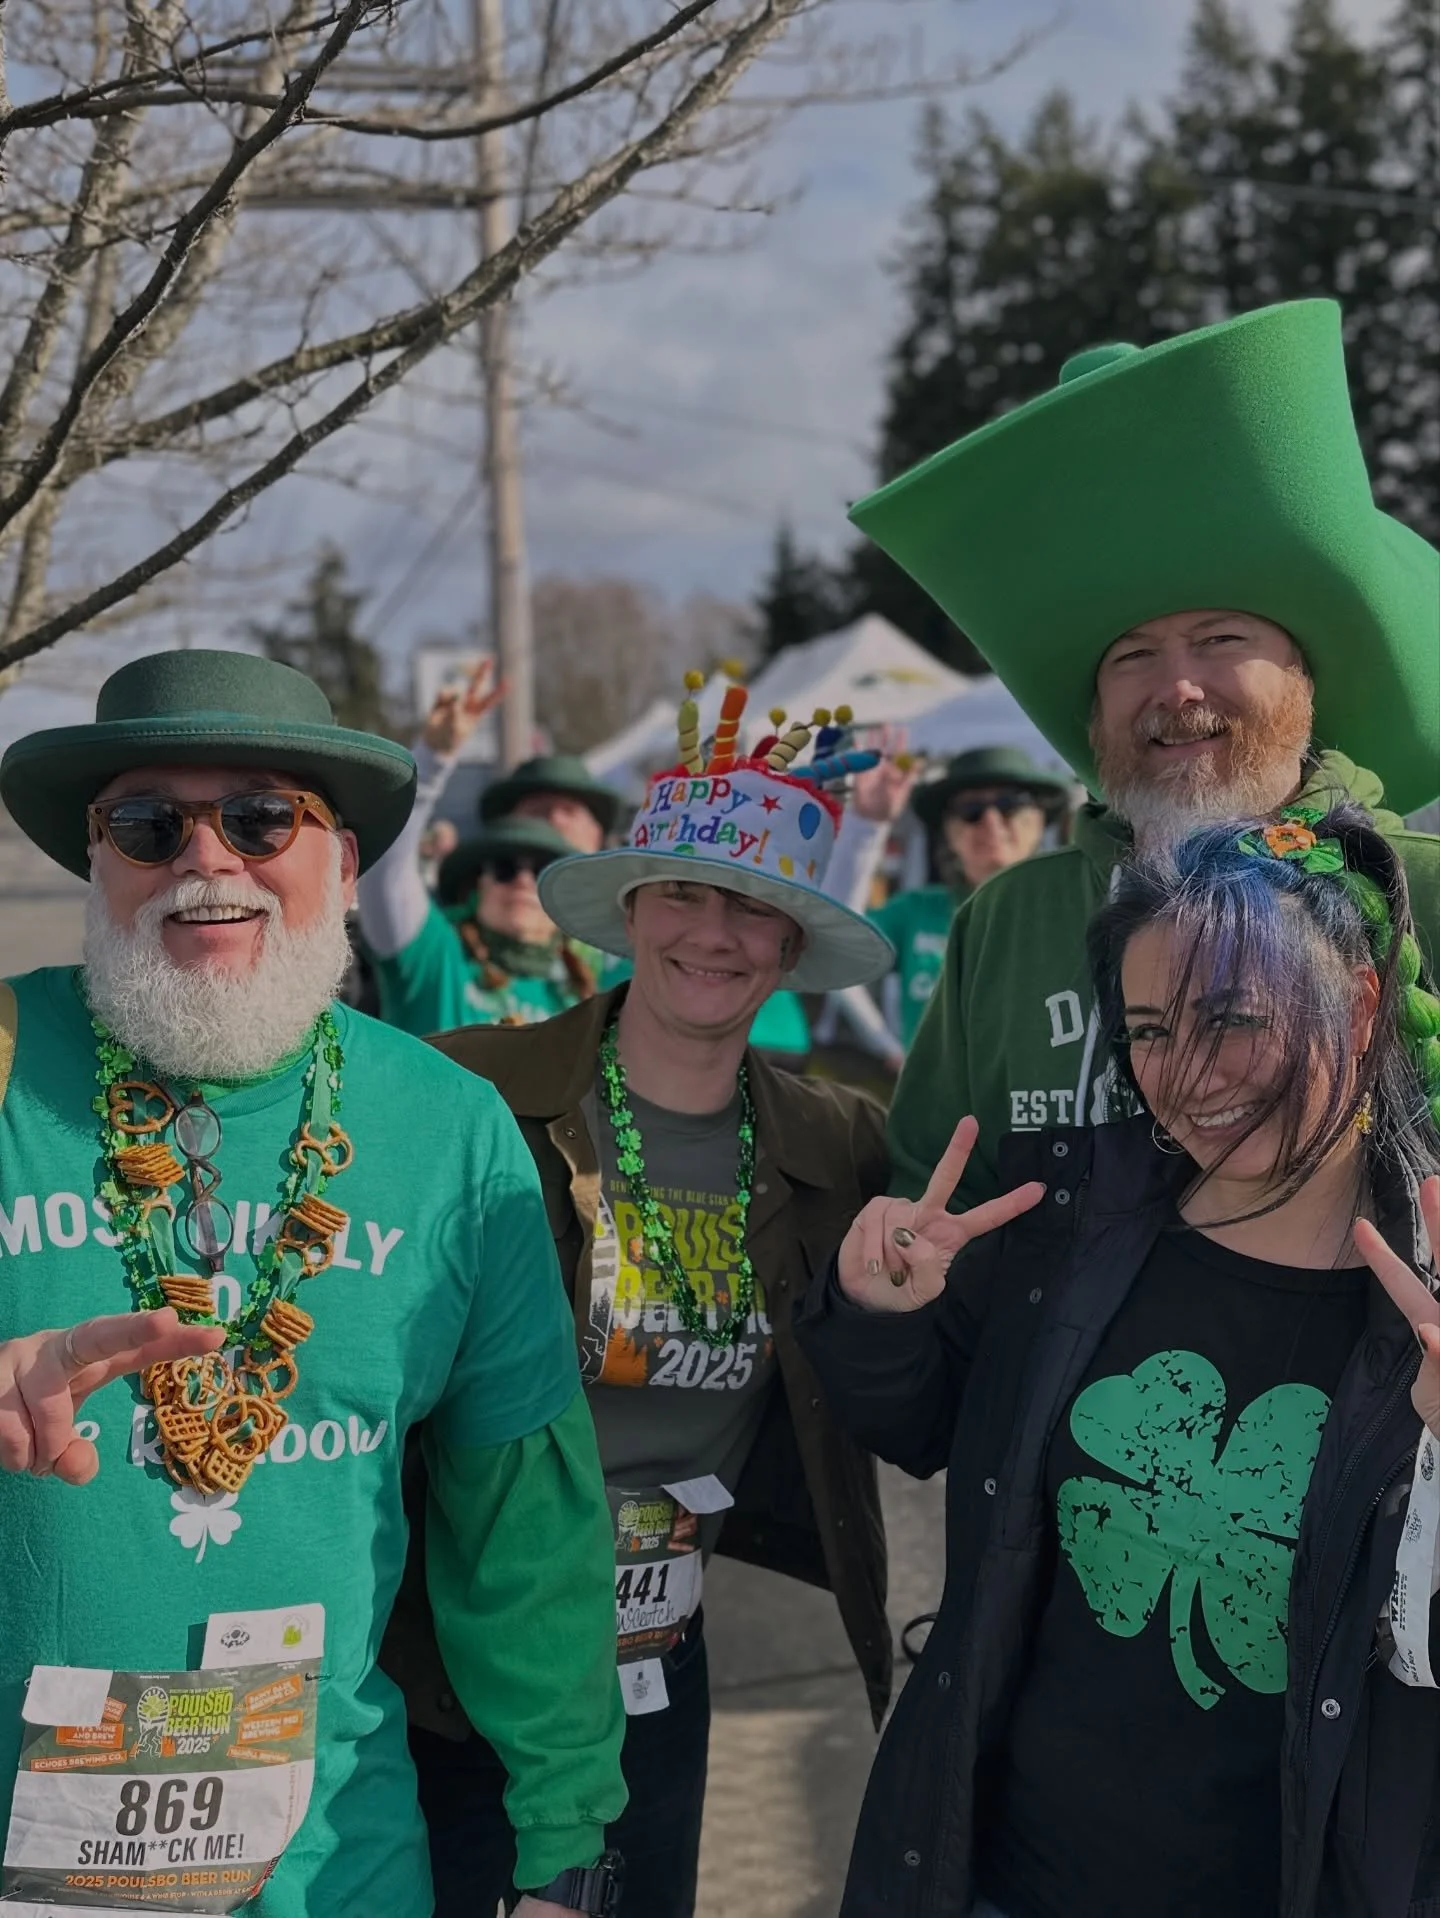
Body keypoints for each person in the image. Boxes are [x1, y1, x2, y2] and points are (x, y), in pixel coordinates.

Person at [0, 648, 624, 1918]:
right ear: (97, 858)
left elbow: (524, 1524)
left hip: (335, 1866)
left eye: (261, 816)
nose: (205, 857)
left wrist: (562, 1842)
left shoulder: (450, 1130)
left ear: (342, 860)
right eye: (146, 822)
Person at [795, 801, 1440, 1918]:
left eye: (1232, 1017)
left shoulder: (1422, 1297)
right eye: (1147, 1029)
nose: (1186, 1074)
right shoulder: (1075, 1224)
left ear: (1363, 998)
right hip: (1007, 1877)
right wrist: (881, 1313)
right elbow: (915, 1427)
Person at [382, 678, 899, 1918]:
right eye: (683, 891)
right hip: (453, 1662)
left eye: (752, 907)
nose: (712, 932)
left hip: (656, 1655)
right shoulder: (468, 1096)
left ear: (789, 945)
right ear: (630, 907)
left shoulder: (837, 1148)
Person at [846, 300, 1439, 1206]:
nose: (1179, 688)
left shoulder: (1420, 893)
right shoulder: (1007, 923)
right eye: (1133, 656)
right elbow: (931, 1191)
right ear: (1091, 717)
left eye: (1220, 638)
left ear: (1303, 677)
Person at [357, 663, 620, 1035]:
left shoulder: (594, 981)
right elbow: (384, 866)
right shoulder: (439, 959)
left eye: (543, 871)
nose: (523, 882)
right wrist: (433, 758)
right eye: (504, 867)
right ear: (477, 883)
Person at [829, 745, 1073, 1066]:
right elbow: (837, 942)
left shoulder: (1073, 912)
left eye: (1009, 804)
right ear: (948, 831)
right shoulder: (917, 911)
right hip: (939, 1110)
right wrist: (867, 826)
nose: (990, 820)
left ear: (1040, 821)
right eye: (971, 809)